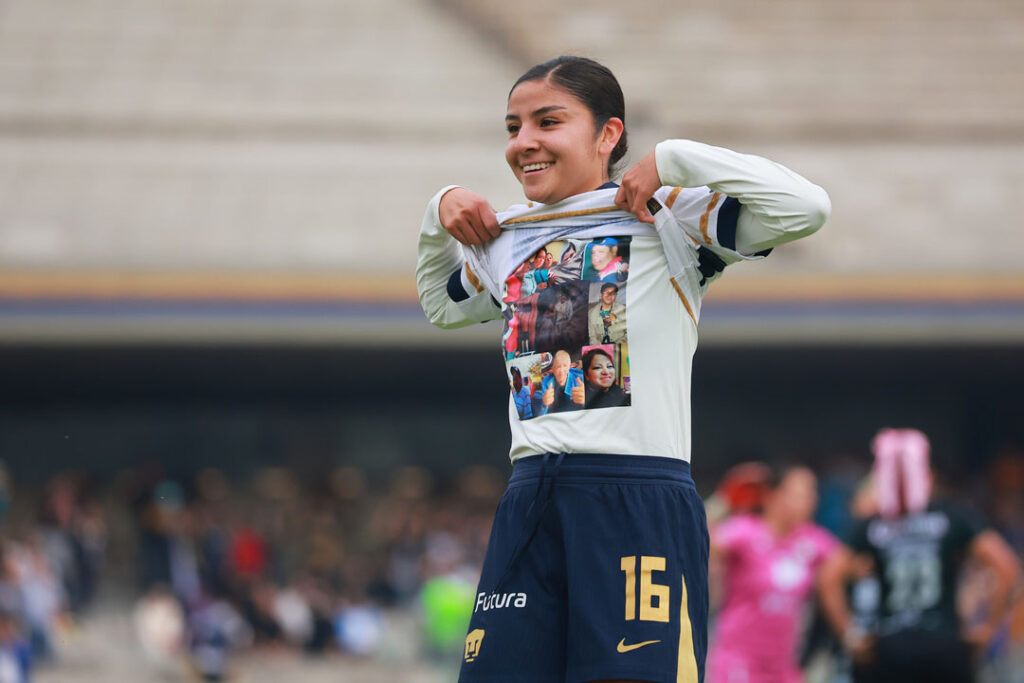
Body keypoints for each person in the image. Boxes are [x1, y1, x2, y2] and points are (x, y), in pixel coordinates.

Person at [416, 55, 830, 683]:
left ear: (608, 134)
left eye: (547, 122)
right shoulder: (505, 238)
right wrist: (437, 210)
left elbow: (805, 207)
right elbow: (441, 306)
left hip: (636, 498)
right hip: (529, 500)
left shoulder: (668, 216)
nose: (524, 142)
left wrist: (676, 159)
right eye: (512, 127)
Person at [817, 428, 1021, 683]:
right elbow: (1006, 565)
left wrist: (849, 635)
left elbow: (827, 577)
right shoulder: (953, 516)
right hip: (944, 646)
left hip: (888, 648)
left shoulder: (874, 524)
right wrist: (989, 627)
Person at [706, 465, 839, 683]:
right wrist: (724, 499)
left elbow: (857, 558)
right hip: (738, 665)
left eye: (812, 493)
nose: (811, 500)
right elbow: (699, 541)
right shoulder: (745, 532)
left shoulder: (812, 541)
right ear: (772, 496)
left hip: (783, 669)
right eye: (800, 494)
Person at [539, 349, 583, 415]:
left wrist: (585, 399)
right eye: (558, 367)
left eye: (565, 366)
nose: (561, 371)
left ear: (569, 367)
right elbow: (540, 414)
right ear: (553, 369)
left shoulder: (580, 378)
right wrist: (544, 404)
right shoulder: (546, 382)